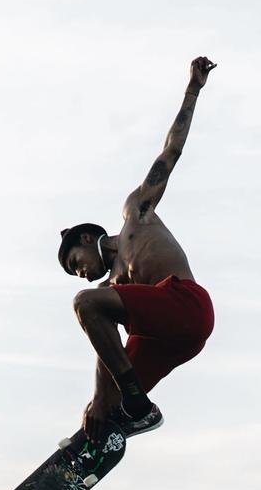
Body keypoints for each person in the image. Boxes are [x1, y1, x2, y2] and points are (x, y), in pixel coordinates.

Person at [58, 56, 218, 443]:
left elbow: (170, 152)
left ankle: (135, 403)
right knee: (106, 408)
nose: (80, 272)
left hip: (186, 305)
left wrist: (192, 90)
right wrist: (98, 399)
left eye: (76, 263)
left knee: (87, 302)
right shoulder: (109, 290)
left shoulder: (136, 215)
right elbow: (105, 349)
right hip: (164, 335)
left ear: (85, 239)